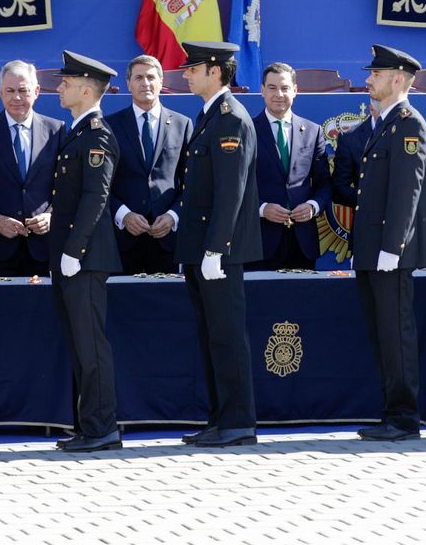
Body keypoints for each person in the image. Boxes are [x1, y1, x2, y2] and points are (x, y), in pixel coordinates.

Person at [174, 40, 261, 448]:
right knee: (212, 335)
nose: (186, 73)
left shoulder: (230, 119)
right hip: (201, 248)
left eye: (193, 68)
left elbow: (232, 191)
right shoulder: (209, 117)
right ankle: (220, 418)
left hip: (219, 252)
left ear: (215, 71)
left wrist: (216, 249)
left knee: (227, 335)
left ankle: (238, 422)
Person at [352, 44, 426, 442]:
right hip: (372, 250)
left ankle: (403, 417)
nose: (369, 80)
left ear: (398, 79)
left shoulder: (407, 124)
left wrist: (393, 247)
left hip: (390, 253)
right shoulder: (387, 123)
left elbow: (408, 190)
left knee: (395, 334)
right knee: (381, 333)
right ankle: (392, 411)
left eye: (377, 74)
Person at [47, 51, 123, 453]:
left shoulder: (97, 135)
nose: (59, 87)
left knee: (91, 343)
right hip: (70, 256)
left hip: (86, 257)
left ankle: (102, 427)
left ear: (87, 88)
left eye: (66, 82)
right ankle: (88, 424)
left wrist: (74, 248)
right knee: (80, 343)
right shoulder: (76, 132)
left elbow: (97, 196)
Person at [109, 53, 190, 275]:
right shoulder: (110, 126)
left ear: (161, 82)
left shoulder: (183, 125)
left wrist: (174, 216)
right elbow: (101, 185)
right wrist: (123, 214)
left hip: (167, 240)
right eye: (139, 77)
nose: (146, 83)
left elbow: (191, 183)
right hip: (124, 239)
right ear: (128, 83)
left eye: (151, 77)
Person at [0, 60, 64, 278]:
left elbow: (67, 186)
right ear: (0, 92)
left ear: (36, 91)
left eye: (23, 90)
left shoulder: (57, 131)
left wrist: (51, 215)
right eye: (9, 91)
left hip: (44, 249)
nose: (16, 97)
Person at [252, 62, 333, 270]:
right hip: (260, 241)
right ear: (262, 90)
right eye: (272, 88)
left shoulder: (313, 132)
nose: (279, 94)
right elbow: (236, 187)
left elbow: (325, 184)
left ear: (295, 91)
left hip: (302, 243)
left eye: (285, 88)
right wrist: (262, 209)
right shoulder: (247, 131)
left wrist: (313, 206)